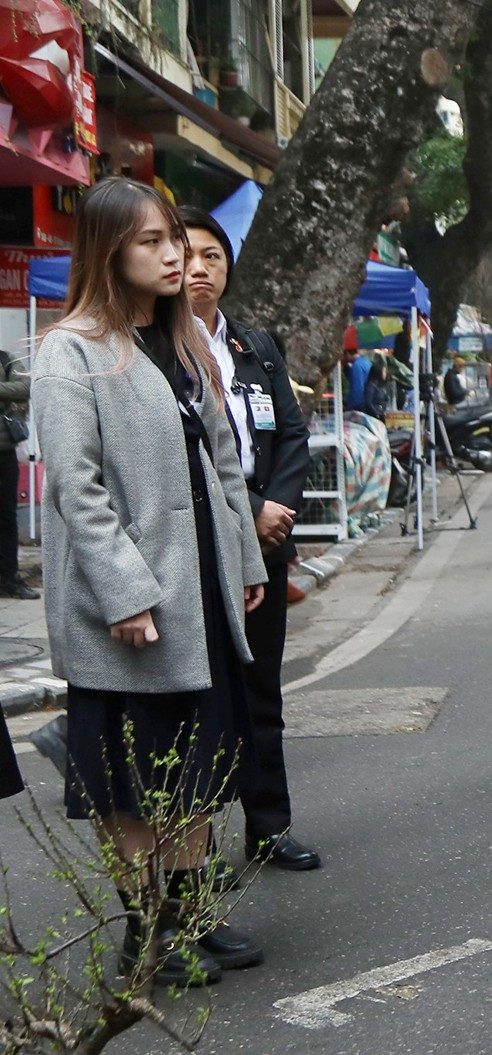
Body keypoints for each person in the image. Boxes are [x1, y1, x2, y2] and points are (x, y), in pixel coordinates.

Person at [32, 177, 269, 985]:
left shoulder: (184, 341)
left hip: (197, 584)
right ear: (107, 250)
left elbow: (225, 465)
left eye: (176, 238)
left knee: (197, 765)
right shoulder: (71, 350)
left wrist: (243, 563)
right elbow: (75, 486)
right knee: (135, 777)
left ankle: (187, 915)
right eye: (152, 242)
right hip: (130, 599)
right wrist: (124, 591)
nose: (175, 256)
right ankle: (148, 936)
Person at [179, 206, 323, 874]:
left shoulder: (255, 345)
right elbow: (194, 457)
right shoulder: (156, 348)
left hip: (267, 546)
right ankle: (191, 845)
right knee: (203, 700)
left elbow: (291, 432)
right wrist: (250, 509)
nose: (199, 268)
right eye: (186, 255)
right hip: (205, 549)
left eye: (212, 255)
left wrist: (279, 507)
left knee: (264, 692)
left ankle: (269, 824)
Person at [0, 346, 37, 598]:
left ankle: (8, 578)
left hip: (4, 451)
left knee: (6, 517)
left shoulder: (5, 359)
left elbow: (25, 387)